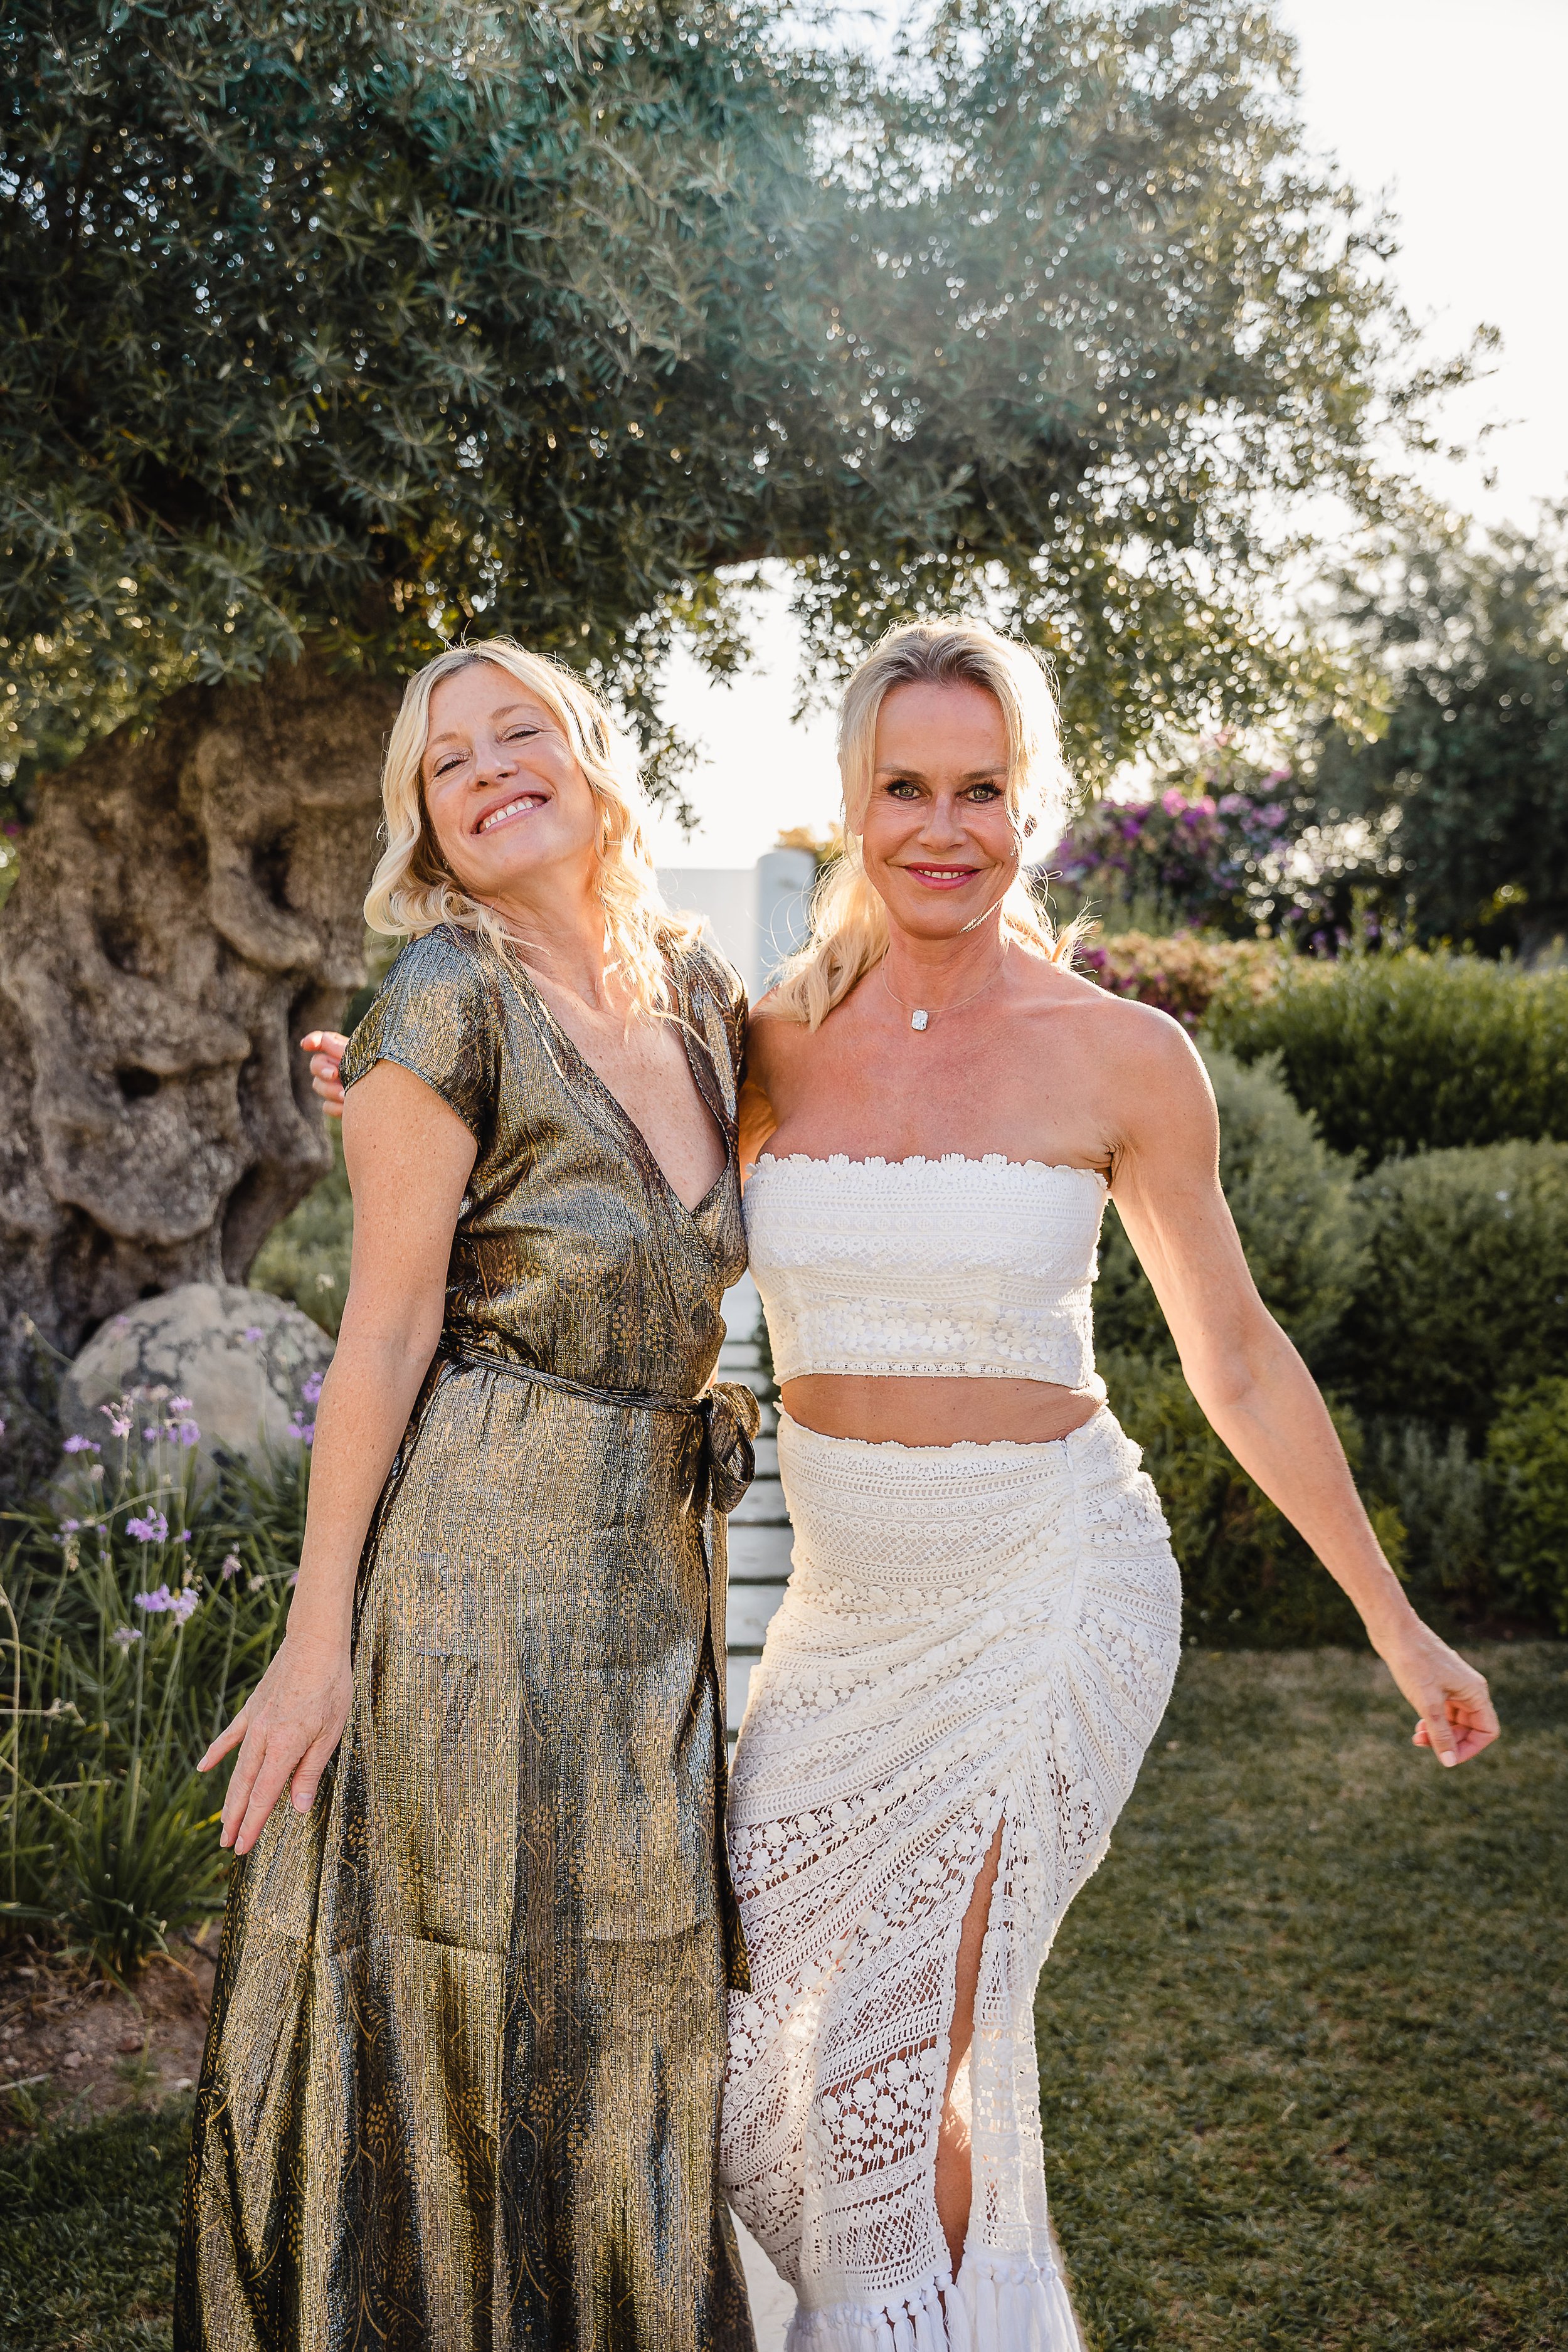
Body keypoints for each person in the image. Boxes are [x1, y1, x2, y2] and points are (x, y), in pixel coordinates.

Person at [716, 619, 1499, 2352]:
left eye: (981, 789)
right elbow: (590, 1184)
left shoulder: (1122, 1054)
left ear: (1034, 806)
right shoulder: (761, 1046)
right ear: (849, 801)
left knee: (876, 2078)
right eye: (903, 788)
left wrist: (1396, 1623)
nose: (942, 828)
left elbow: (1235, 1358)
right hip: (840, 1629)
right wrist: (407, 1087)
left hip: (1048, 1594)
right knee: (748, 2066)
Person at [177, 640, 760, 2352]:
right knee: (459, 1986)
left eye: (522, 732)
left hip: (654, 1566)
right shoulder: (442, 990)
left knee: (628, 1985)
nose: (492, 767)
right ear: (426, 821)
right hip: (474, 1563)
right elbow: (382, 1335)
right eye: (450, 760)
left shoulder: (701, 991)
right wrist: (316, 1645)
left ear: (594, 760)